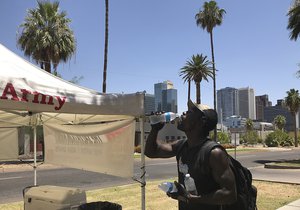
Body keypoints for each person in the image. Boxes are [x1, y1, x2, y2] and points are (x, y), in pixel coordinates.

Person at [145, 100, 237, 210]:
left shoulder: (214, 153)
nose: (183, 113)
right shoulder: (182, 145)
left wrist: (191, 198)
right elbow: (151, 152)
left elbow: (230, 194)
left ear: (201, 121)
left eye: (189, 112)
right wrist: (155, 129)